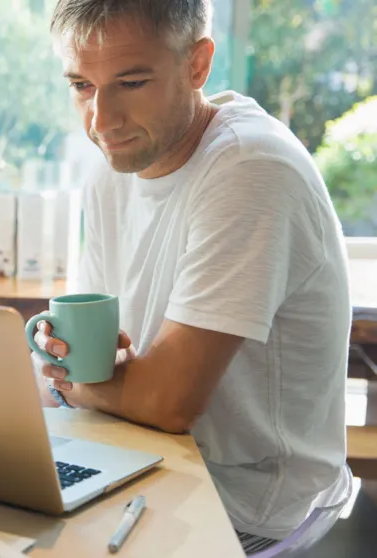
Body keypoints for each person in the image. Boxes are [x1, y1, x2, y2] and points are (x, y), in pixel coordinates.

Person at [32, 0, 351, 554]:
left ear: (197, 65)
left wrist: (74, 385)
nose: (101, 121)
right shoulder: (112, 168)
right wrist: (68, 361)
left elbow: (166, 402)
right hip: (149, 467)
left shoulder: (252, 169)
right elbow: (114, 365)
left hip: (254, 509)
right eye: (82, 85)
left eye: (131, 82)